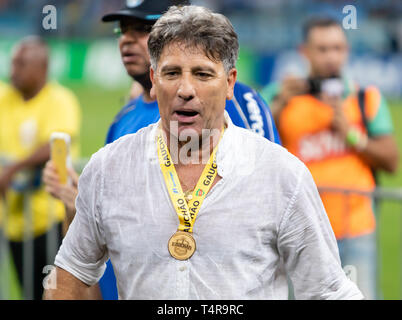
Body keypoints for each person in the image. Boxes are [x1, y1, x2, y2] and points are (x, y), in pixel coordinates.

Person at [44, 5, 363, 300]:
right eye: (171, 73)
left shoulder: (282, 174)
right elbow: (70, 273)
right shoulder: (107, 167)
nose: (185, 90)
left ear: (229, 83)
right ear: (154, 81)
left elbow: (329, 291)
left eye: (202, 74)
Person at [260, 17, 399, 299]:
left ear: (346, 50)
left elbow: (392, 160)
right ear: (305, 52)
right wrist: (276, 106)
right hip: (297, 231)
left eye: (337, 48)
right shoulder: (280, 96)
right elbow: (253, 152)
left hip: (354, 226)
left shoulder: (364, 97)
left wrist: (351, 135)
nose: (331, 57)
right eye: (322, 49)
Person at [0, 36, 81, 300]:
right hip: (14, 220)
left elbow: (53, 144)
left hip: (52, 220)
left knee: (57, 293)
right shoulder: (5, 97)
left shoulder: (60, 99)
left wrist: (11, 170)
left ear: (42, 69)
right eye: (13, 63)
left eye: (21, 64)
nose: (13, 70)